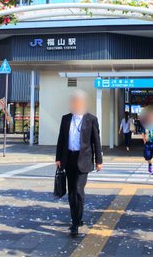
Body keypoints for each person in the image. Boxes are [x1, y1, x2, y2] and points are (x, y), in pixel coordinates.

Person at [55, 89, 103, 237]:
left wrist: (99, 161)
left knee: (78, 190)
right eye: (74, 102)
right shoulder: (65, 119)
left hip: (84, 159)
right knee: (71, 192)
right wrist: (58, 158)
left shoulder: (91, 119)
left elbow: (96, 141)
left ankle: (76, 223)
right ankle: (76, 218)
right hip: (68, 158)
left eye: (79, 102)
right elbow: (61, 139)